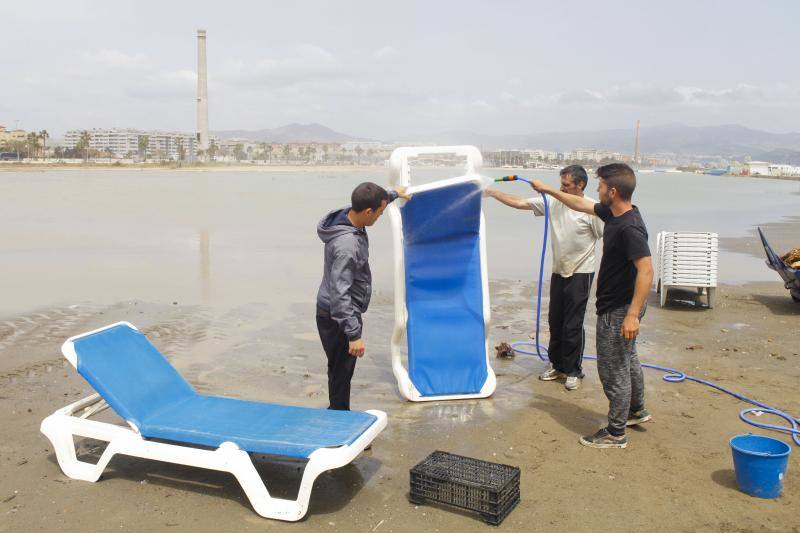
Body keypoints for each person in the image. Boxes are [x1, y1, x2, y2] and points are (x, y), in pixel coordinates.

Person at [532, 163, 654, 449]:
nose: (595, 191)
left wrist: (632, 315)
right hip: (621, 306)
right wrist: (549, 190)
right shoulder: (614, 212)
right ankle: (637, 411)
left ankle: (615, 433)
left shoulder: (629, 227)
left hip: (620, 309)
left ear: (612, 191)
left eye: (599, 187)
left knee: (613, 369)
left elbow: (647, 270)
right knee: (628, 359)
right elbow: (578, 203)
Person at [485, 165, 603, 390]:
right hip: (559, 270)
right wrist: (492, 193)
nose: (562, 187)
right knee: (555, 321)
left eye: (567, 185)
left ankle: (573, 371)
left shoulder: (590, 208)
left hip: (581, 271)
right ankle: (557, 365)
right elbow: (520, 202)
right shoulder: (554, 202)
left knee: (573, 324)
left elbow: (606, 236)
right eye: (561, 183)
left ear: (580, 185)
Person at [316, 182, 410, 410]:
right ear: (368, 211)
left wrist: (395, 194)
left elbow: (377, 199)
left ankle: (337, 412)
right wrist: (353, 334)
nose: (379, 216)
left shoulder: (347, 215)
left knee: (338, 368)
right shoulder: (347, 246)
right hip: (338, 314)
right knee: (341, 371)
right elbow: (340, 294)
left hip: (332, 309)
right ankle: (339, 422)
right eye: (379, 213)